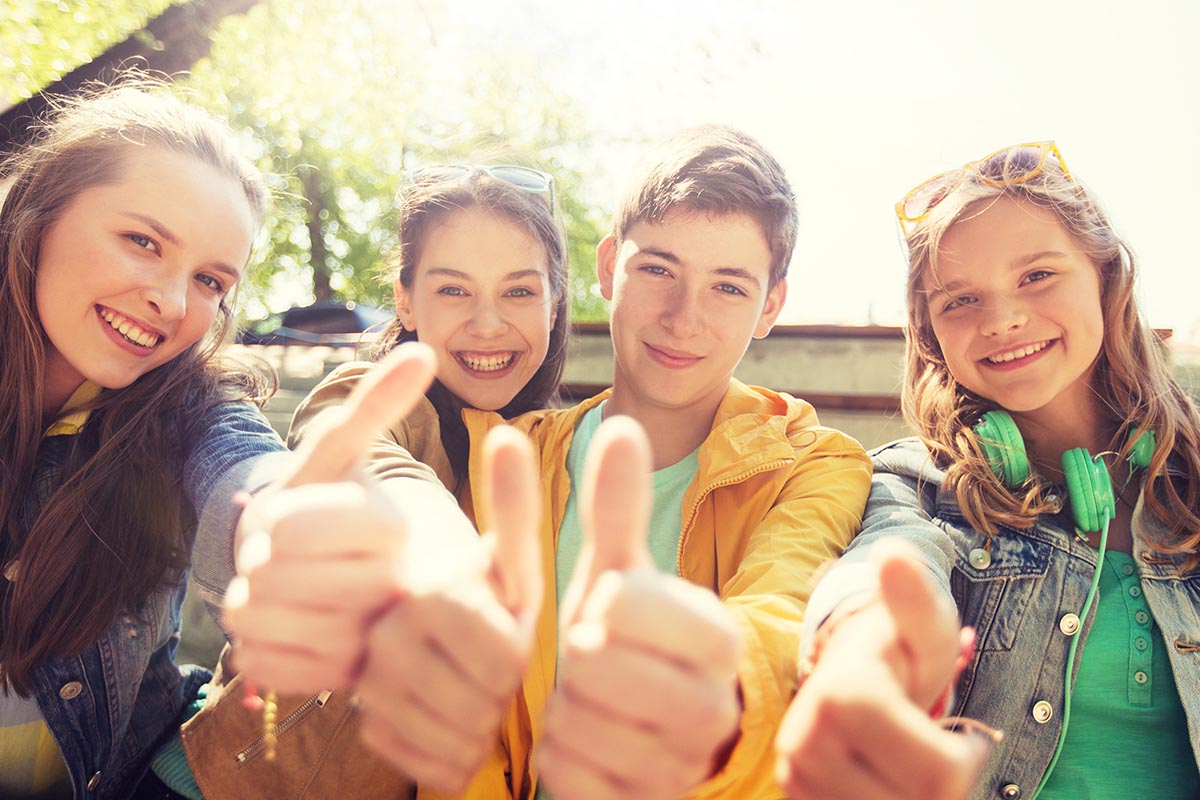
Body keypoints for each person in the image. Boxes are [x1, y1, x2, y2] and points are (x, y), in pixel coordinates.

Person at [399, 124, 869, 799]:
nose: (684, 317)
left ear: (771, 305)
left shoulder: (814, 466)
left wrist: (707, 690)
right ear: (608, 265)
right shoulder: (508, 456)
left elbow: (780, 606)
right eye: (658, 270)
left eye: (728, 288)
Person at [775, 141, 1200, 800]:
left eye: (1037, 276)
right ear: (931, 334)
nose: (1001, 319)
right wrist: (862, 655)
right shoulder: (918, 486)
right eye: (960, 301)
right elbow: (887, 566)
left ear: (1107, 277)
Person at [176, 164, 571, 799]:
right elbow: (370, 466)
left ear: (555, 304)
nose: (490, 324)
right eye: (454, 291)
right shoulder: (368, 399)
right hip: (224, 783)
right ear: (406, 301)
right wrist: (448, 564)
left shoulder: (556, 446)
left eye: (520, 292)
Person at [0, 82, 289, 800]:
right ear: (43, 212)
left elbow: (251, 470)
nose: (170, 300)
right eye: (142, 241)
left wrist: (301, 527)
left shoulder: (188, 406)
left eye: (210, 280)